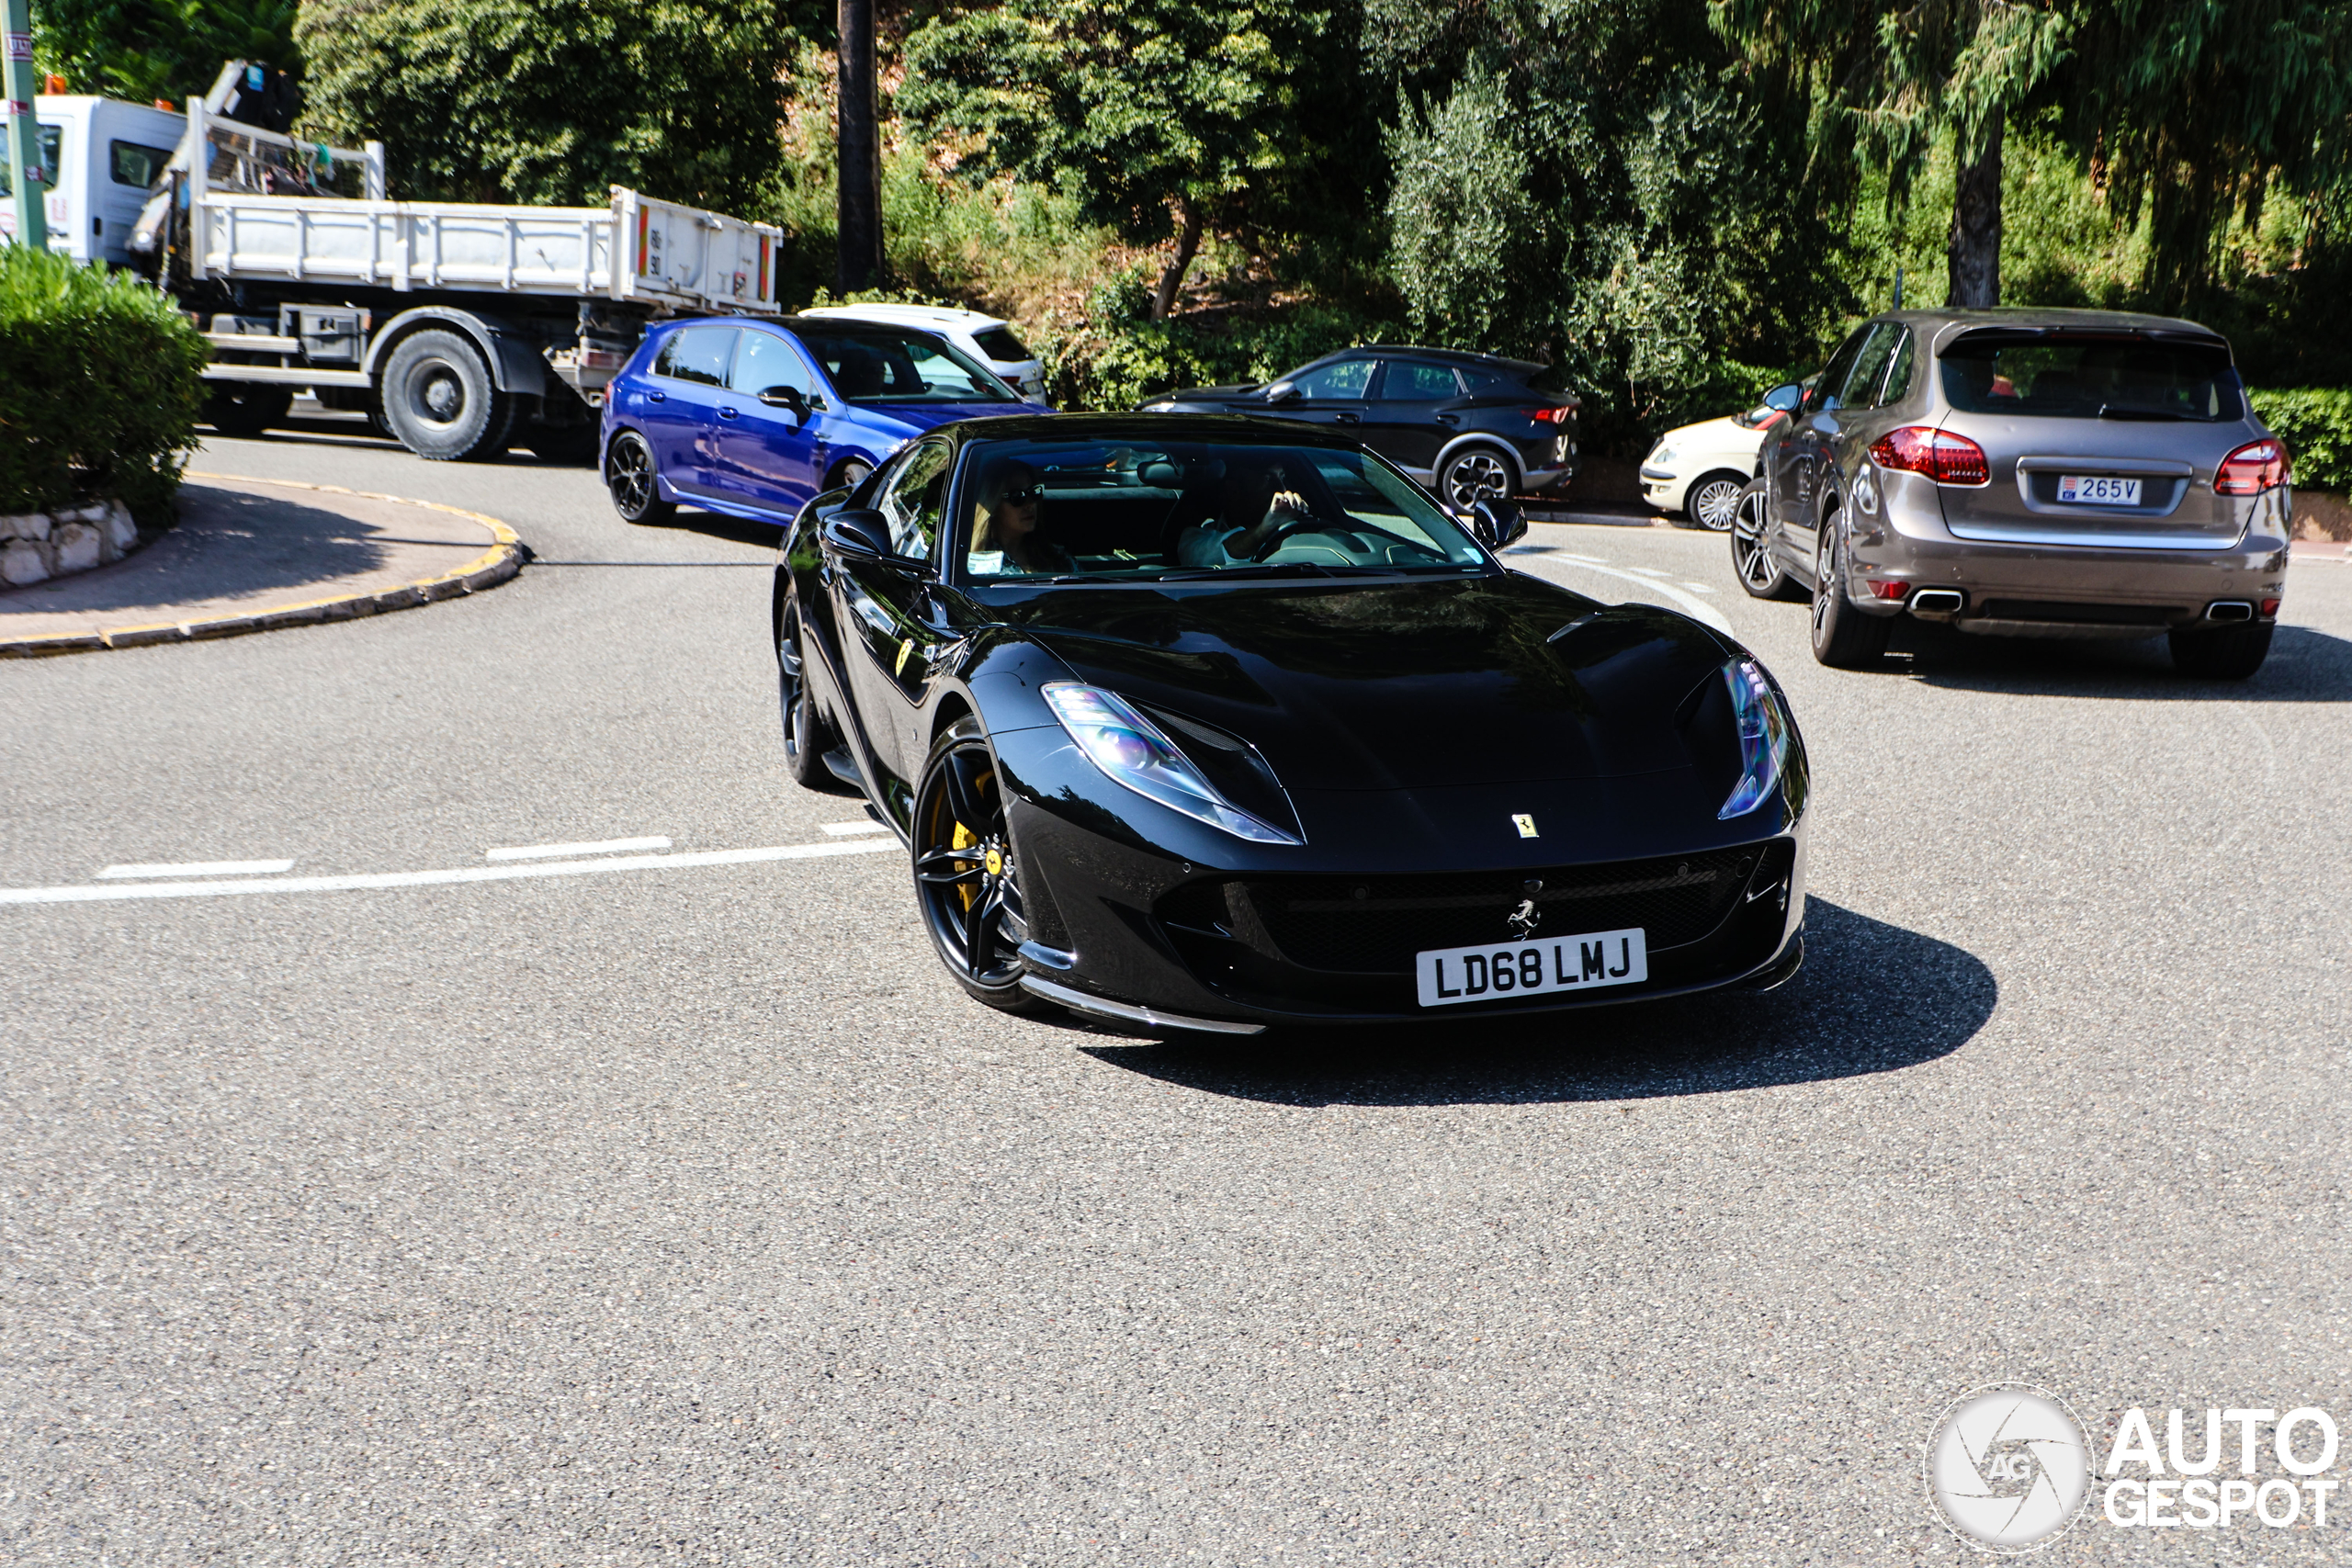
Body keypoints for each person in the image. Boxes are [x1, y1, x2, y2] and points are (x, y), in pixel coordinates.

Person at [1175, 456, 1315, 567]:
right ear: (1233, 490)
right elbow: (1208, 557)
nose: (1282, 489)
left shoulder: (1294, 531)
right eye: (1267, 478)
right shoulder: (1194, 538)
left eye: (1282, 477)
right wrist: (1264, 529)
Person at [968, 460, 1072, 575]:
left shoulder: (1058, 558)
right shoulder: (976, 566)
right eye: (1017, 496)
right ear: (993, 504)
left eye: (1033, 492)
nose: (1030, 504)